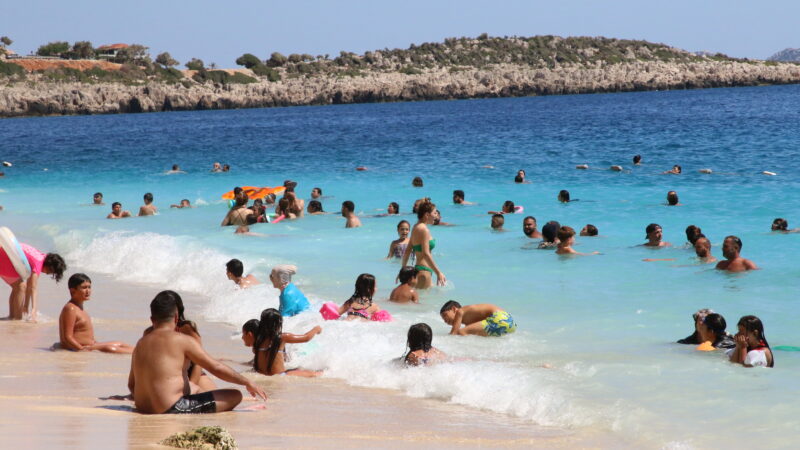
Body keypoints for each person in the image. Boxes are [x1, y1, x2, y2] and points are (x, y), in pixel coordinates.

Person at [128, 291, 267, 414]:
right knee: (235, 395)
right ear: (176, 317)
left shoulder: (141, 342)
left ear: (152, 319)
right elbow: (216, 367)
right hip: (172, 408)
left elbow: (131, 385)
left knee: (194, 388)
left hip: (142, 408)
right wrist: (247, 382)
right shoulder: (183, 340)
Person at [58, 273, 133, 353]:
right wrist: (81, 350)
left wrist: (95, 344)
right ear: (73, 291)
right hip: (80, 347)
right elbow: (67, 337)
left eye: (89, 287)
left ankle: (142, 350)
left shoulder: (80, 308)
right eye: (84, 287)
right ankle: (137, 354)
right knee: (109, 348)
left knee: (119, 343)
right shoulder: (70, 308)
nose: (88, 291)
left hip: (91, 345)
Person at [2, 243, 65, 321]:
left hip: (5, 251)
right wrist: (34, 308)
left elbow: (29, 284)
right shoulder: (38, 263)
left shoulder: (40, 255)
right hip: (4, 256)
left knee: (18, 287)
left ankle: (12, 316)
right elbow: (33, 288)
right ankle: (17, 319)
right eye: (50, 271)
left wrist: (26, 305)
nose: (48, 273)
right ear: (50, 266)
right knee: (20, 286)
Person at [252, 308, 322, 377]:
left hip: (262, 374)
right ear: (278, 323)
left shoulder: (259, 340)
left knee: (296, 369)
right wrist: (316, 329)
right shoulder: (282, 337)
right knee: (314, 373)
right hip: (280, 376)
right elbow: (306, 337)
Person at [402, 200, 446, 288]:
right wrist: (438, 272)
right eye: (434, 213)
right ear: (427, 215)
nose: (436, 216)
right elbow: (426, 254)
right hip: (424, 271)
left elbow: (407, 251)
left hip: (418, 269)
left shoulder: (416, 227)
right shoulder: (424, 229)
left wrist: (403, 272)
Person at [440, 300, 516, 337]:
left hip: (498, 317)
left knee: (461, 332)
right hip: (510, 323)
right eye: (443, 319)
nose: (445, 321)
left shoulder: (460, 311)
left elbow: (454, 333)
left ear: (454, 309)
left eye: (445, 315)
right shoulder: (469, 323)